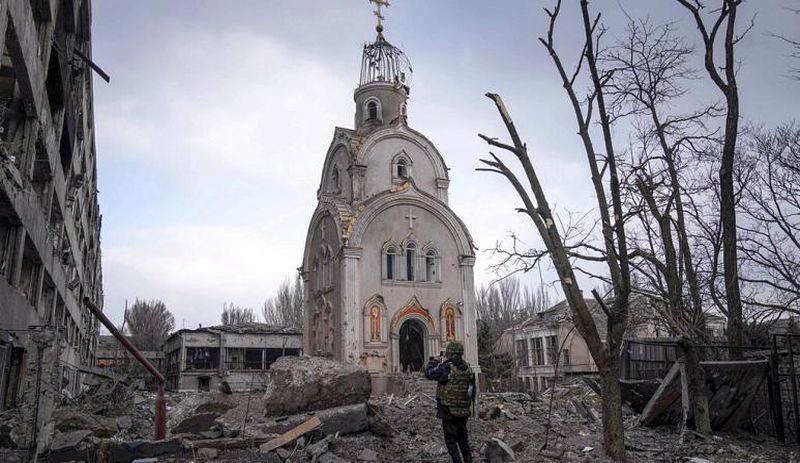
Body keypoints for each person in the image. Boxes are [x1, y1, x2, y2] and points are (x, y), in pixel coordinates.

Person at [425, 341, 476, 463]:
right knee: (463, 439)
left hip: (448, 409)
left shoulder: (445, 368)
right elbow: (471, 392)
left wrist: (434, 361)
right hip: (463, 410)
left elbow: (428, 374)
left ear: (449, 354)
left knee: (451, 441)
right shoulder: (468, 369)